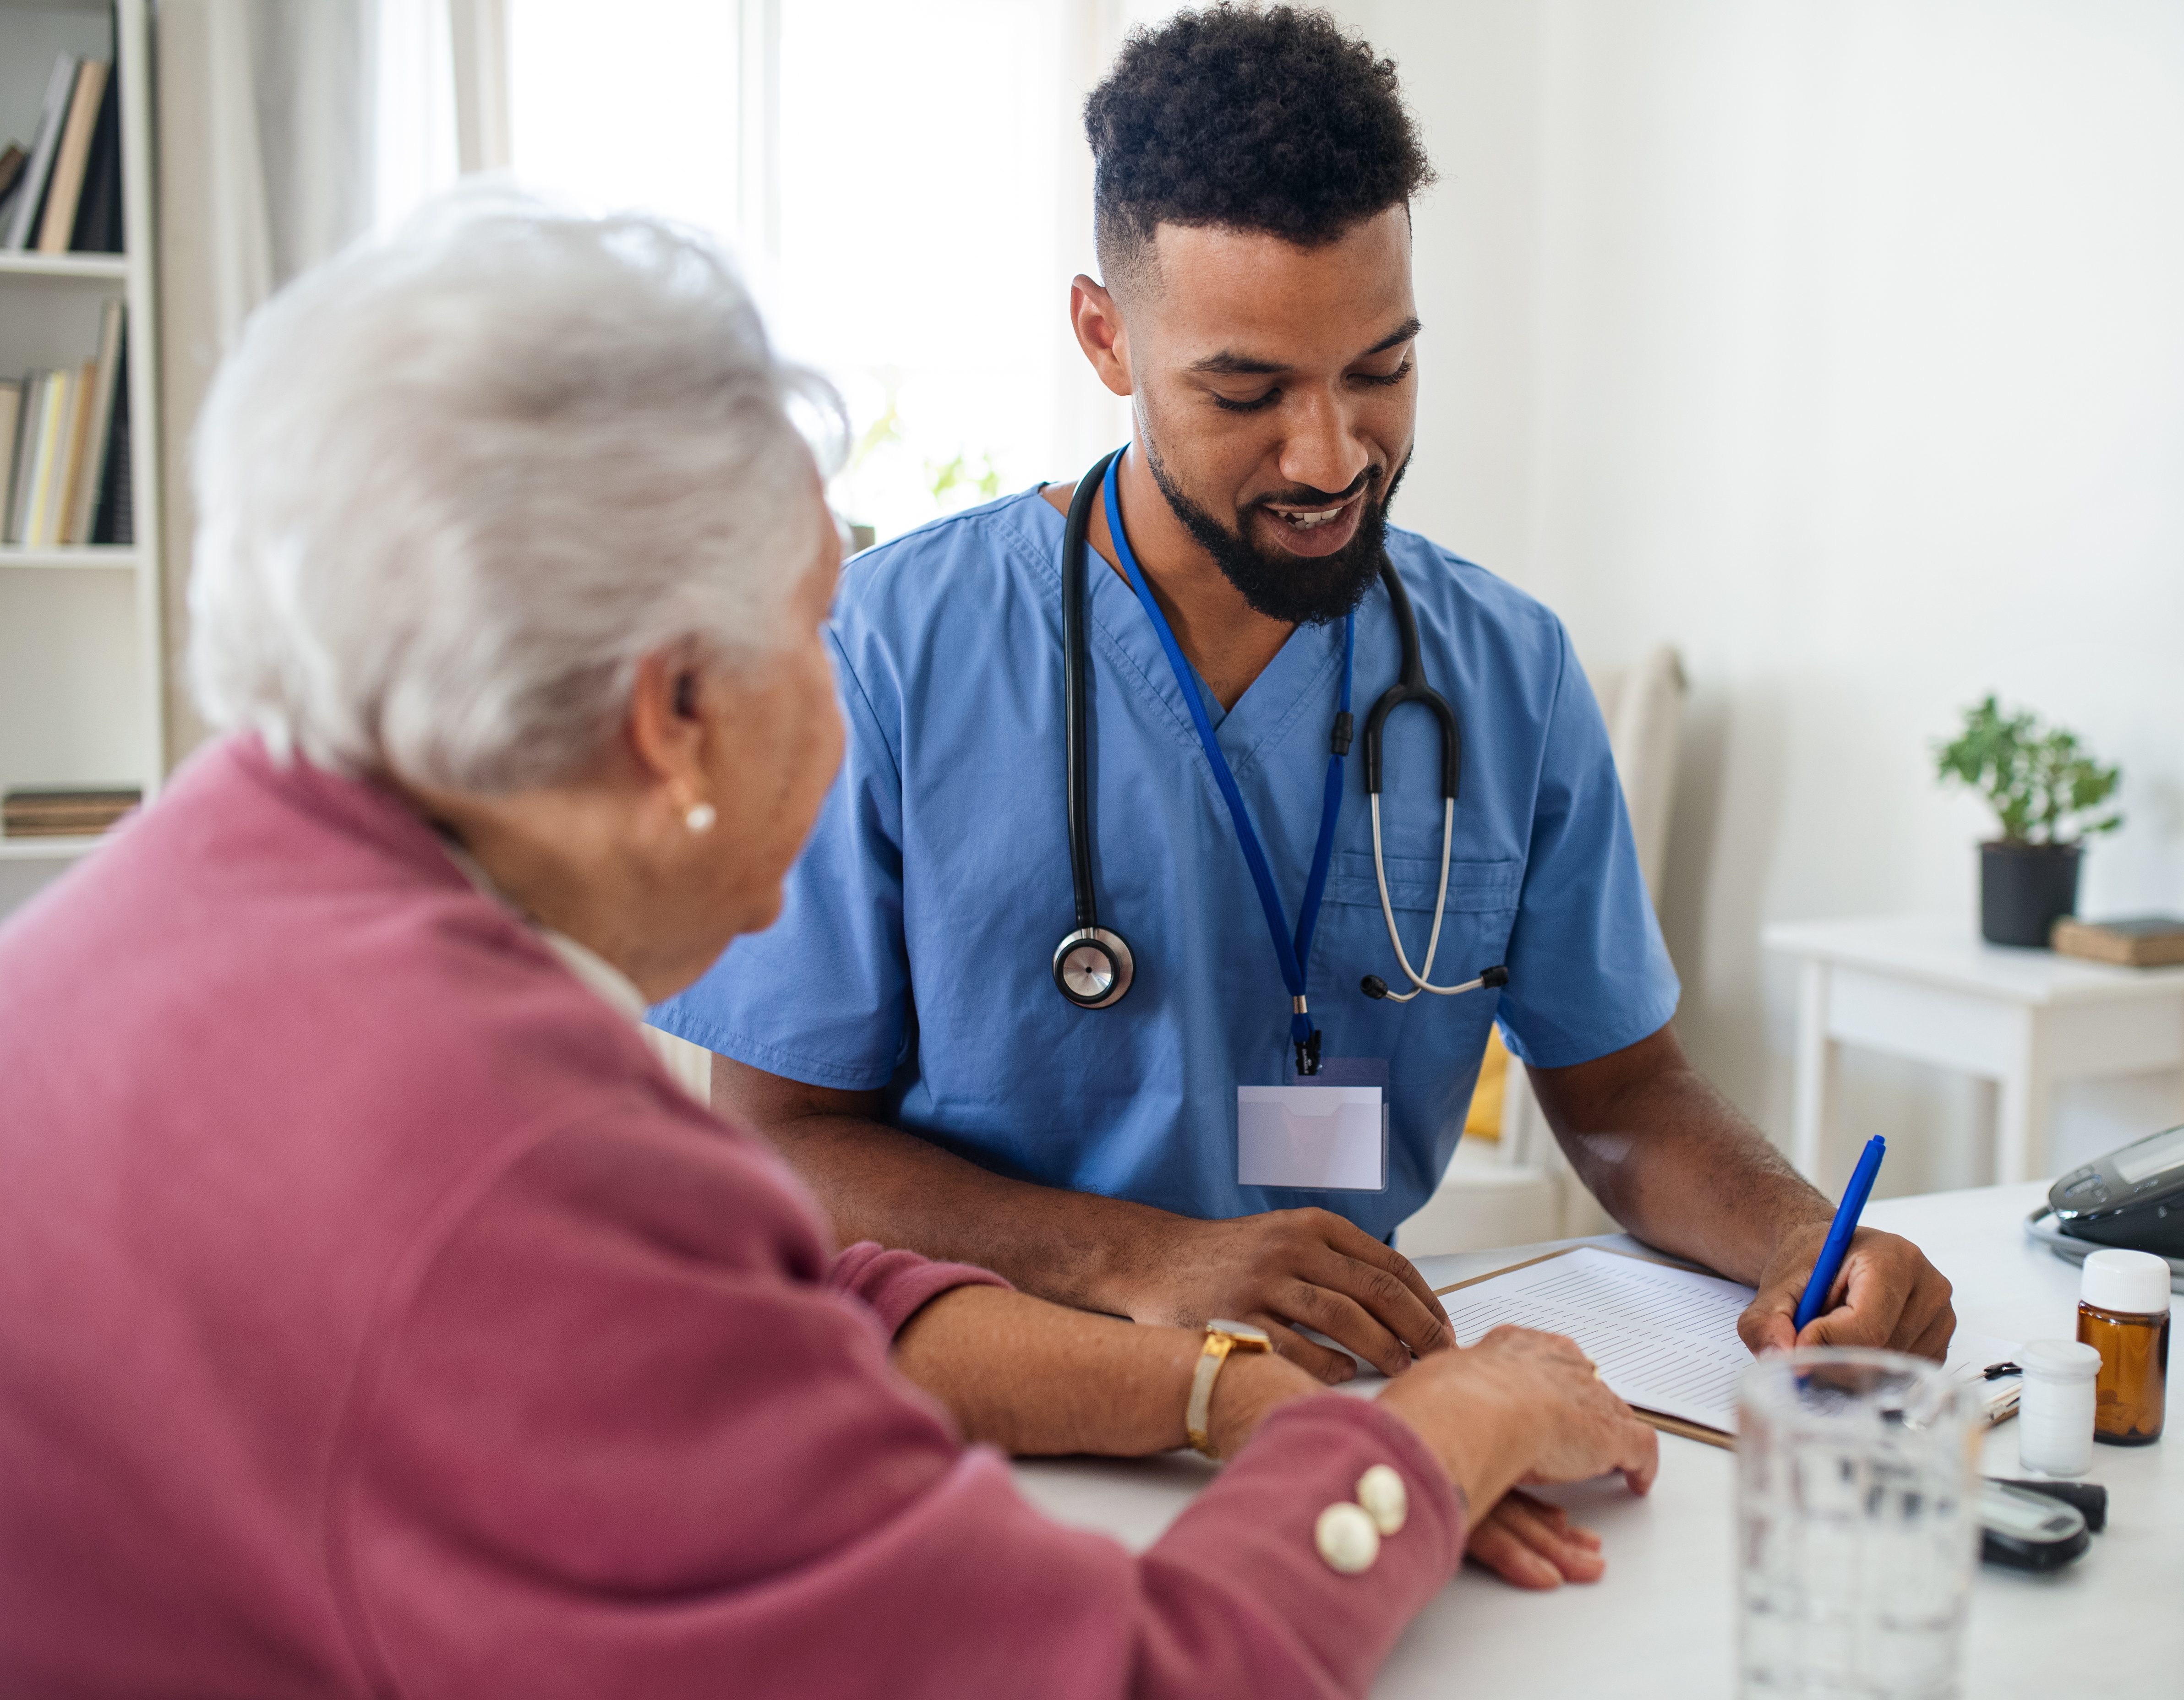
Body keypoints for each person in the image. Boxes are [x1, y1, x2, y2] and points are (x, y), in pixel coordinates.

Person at [0, 196, 1660, 1697]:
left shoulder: (161, 919)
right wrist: (1434, 1447)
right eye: (815, 621)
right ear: (674, 716)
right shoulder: (511, 1166)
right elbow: (1136, 1678)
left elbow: (785, 1283)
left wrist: (1202, 1387)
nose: (848, 675)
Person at [653, 5, 1956, 1381]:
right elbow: (776, 1143)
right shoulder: (886, 655)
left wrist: (1810, 1242)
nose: (1334, 456)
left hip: (1347, 1399)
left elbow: (1625, 1097)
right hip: (986, 1402)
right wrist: (1145, 1258)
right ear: (1107, 340)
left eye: (1382, 369)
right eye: (1248, 390)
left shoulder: (1506, 672)